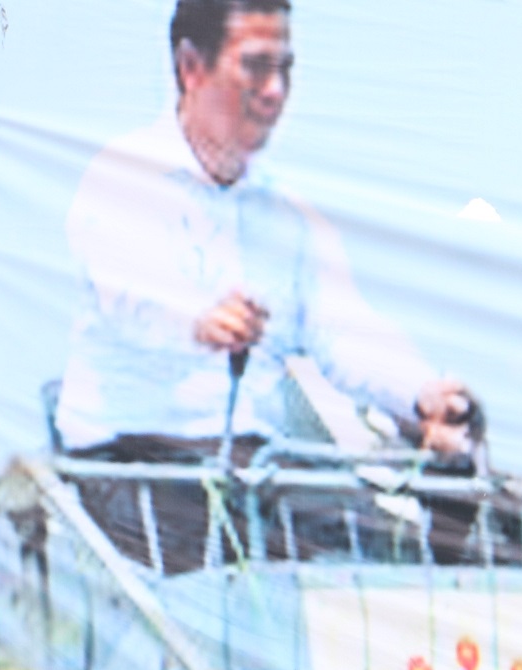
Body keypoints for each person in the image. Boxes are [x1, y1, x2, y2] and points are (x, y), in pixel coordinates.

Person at [55, 0, 481, 568]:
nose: (275, 90)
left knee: (382, 559)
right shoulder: (122, 177)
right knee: (240, 577)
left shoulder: (287, 215)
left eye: (285, 69)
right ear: (190, 67)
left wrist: (423, 394)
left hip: (254, 469)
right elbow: (126, 296)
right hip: (133, 463)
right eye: (256, 67)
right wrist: (197, 323)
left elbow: (346, 333)